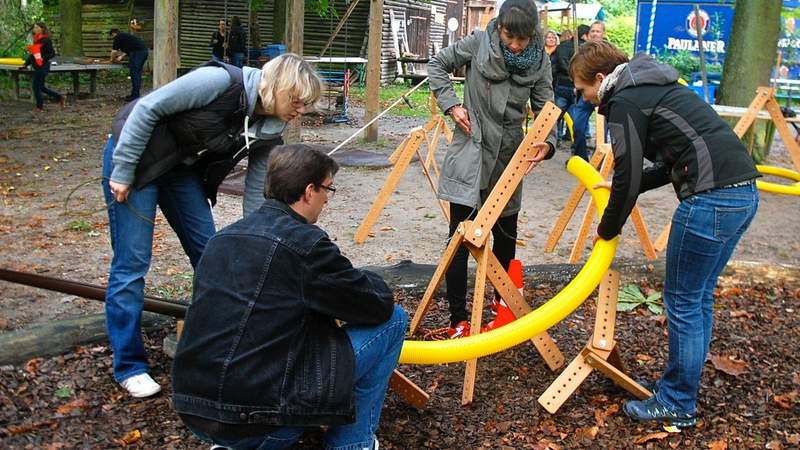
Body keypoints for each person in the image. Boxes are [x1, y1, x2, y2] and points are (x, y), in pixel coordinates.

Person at [102, 53, 321, 398]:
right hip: (137, 158)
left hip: (179, 169)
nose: (301, 110)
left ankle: (213, 347)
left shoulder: (270, 128)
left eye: (306, 104)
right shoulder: (219, 82)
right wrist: (123, 170)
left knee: (214, 256)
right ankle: (129, 366)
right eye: (297, 100)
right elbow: (148, 109)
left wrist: (256, 243)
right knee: (132, 262)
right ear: (277, 87)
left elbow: (258, 190)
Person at [570, 40, 760, 428]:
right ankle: (679, 389)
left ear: (601, 79)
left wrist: (607, 230)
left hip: (709, 202)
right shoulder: (651, 84)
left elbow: (628, 169)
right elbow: (670, 160)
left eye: (582, 89)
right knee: (697, 298)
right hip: (742, 194)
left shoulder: (622, 100)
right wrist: (627, 187)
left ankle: (677, 402)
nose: (584, 98)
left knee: (684, 303)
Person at [172, 144, 407, 450]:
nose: (326, 199)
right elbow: (376, 305)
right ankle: (353, 442)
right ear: (309, 191)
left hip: (195, 409)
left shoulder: (223, 238)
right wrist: (364, 279)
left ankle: (232, 441)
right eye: (327, 189)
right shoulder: (305, 245)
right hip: (258, 421)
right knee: (394, 320)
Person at [428, 0, 556, 338]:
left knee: (505, 237)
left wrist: (548, 142)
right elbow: (438, 64)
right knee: (460, 236)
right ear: (498, 27)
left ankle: (502, 314)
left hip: (509, 159)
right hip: (471, 150)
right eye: (509, 36)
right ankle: (458, 318)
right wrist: (452, 104)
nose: (515, 44)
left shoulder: (540, 60)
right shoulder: (477, 42)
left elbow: (546, 106)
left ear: (533, 35)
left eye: (523, 39)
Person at [553, 24, 590, 151]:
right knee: (575, 117)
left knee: (556, 115)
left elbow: (557, 65)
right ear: (585, 35)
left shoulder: (561, 46)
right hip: (576, 85)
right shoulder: (585, 48)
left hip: (562, 84)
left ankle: (554, 139)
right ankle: (572, 140)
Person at [24, 22, 65, 113]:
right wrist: (25, 64)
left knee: (36, 87)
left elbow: (52, 53)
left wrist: (42, 58)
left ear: (42, 29)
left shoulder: (46, 40)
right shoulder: (36, 40)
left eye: (36, 27)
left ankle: (39, 107)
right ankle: (60, 97)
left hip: (43, 66)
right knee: (41, 87)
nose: (34, 29)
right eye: (34, 27)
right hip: (37, 66)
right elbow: (33, 54)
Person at [109, 28, 149, 101]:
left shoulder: (118, 37)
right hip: (143, 52)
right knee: (137, 74)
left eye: (112, 37)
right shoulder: (126, 36)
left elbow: (114, 51)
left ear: (113, 34)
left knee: (135, 74)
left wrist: (112, 60)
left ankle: (135, 96)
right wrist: (121, 57)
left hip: (137, 54)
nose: (113, 38)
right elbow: (129, 48)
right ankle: (135, 94)